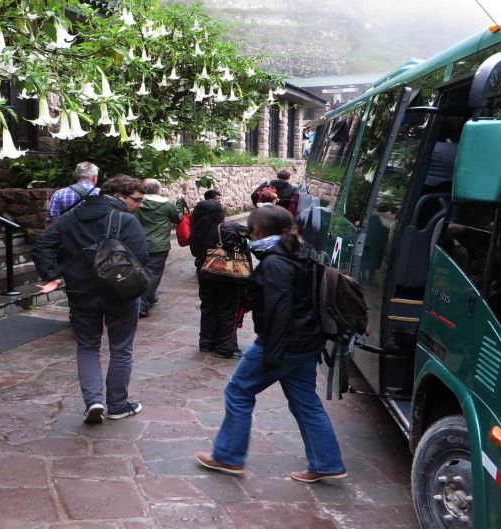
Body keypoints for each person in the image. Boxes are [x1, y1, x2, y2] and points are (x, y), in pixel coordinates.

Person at [194, 205, 347, 483]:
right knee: (305, 403)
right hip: (307, 341)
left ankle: (228, 456)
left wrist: (272, 355)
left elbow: (281, 310)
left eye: (250, 232)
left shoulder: (276, 262)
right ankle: (327, 462)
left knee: (238, 392)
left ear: (257, 232)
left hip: (283, 343)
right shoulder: (300, 253)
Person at [32, 175, 149, 423]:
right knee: (121, 348)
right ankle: (117, 405)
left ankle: (93, 401)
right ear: (119, 196)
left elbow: (42, 244)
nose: (140, 205)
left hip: (81, 293)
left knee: (87, 347)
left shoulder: (70, 217)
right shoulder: (126, 221)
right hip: (121, 294)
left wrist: (52, 275)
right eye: (137, 200)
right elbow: (141, 258)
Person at [189, 199, 248, 359]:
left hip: (205, 273)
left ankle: (206, 343)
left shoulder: (196, 229)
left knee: (208, 307)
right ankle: (225, 347)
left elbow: (195, 252)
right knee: (228, 309)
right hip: (227, 275)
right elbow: (254, 233)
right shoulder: (229, 228)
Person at [136, 178, 181, 318]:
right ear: (158, 189)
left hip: (137, 242)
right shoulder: (167, 204)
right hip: (158, 245)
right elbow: (178, 218)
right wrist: (179, 203)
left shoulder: (136, 202)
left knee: (140, 271)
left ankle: (151, 296)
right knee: (154, 273)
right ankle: (141, 305)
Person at [45, 161, 100, 227]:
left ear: (76, 177)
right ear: (95, 178)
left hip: (67, 236)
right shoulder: (102, 194)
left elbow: (52, 222)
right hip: (94, 236)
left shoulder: (59, 194)